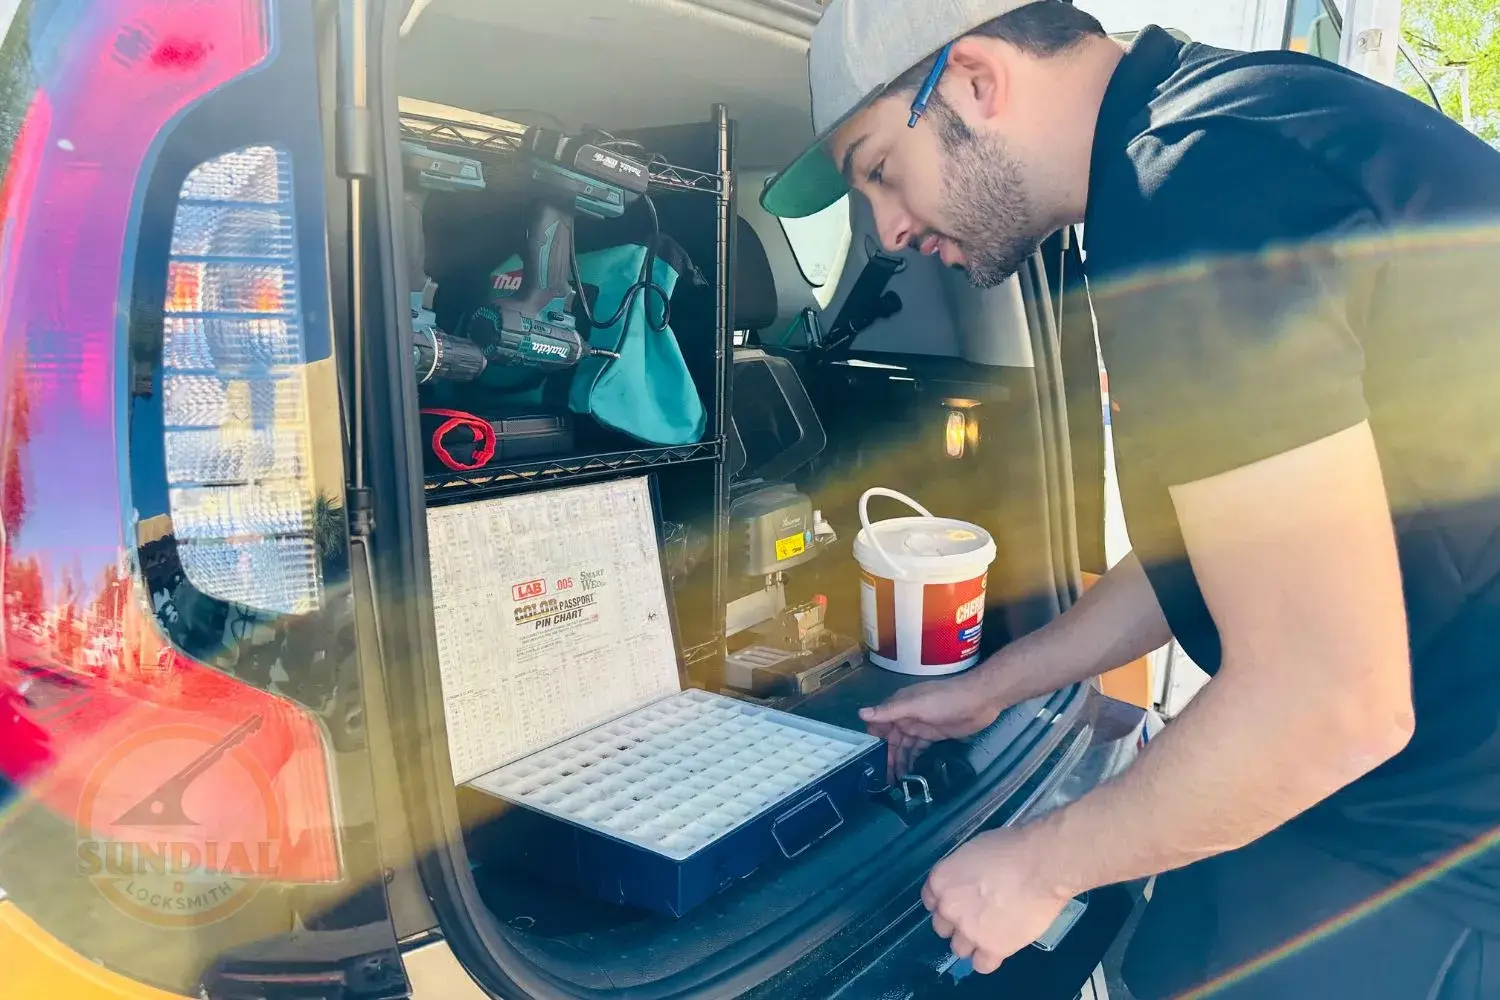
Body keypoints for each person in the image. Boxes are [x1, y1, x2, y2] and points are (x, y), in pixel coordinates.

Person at [761, 1, 1500, 996]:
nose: (885, 231)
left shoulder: (1193, 191)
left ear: (977, 82)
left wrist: (1037, 866)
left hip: (1444, 854)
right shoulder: (1225, 133)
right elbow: (1228, 545)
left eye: (880, 169)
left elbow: (1332, 704)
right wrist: (995, 686)